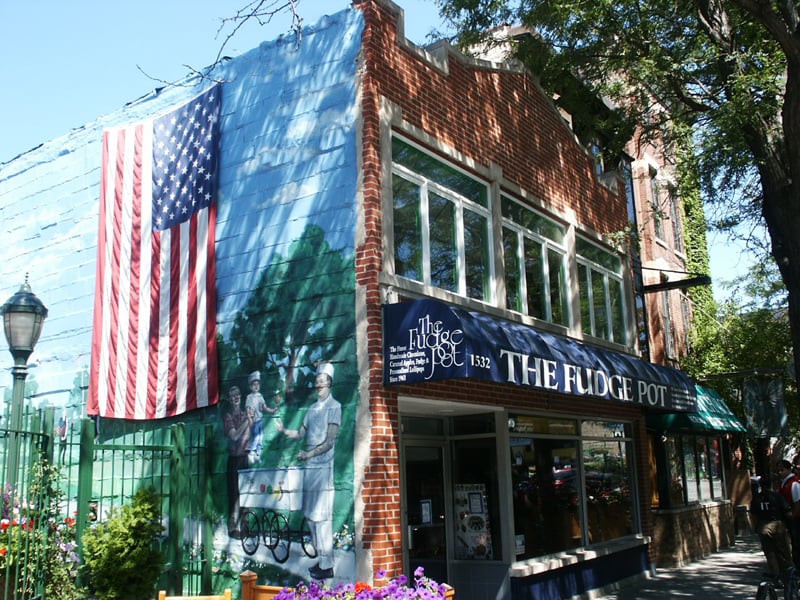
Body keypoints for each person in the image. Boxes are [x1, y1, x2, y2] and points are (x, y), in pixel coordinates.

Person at [276, 362, 341, 580]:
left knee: (322, 518)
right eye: (317, 382)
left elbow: (330, 442)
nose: (318, 385)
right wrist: (283, 430)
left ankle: (327, 565)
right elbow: (300, 434)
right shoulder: (312, 409)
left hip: (323, 468)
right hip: (310, 469)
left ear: (329, 383)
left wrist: (308, 454)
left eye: (322, 381)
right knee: (310, 517)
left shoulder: (335, 407)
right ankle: (321, 559)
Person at [751, 474, 794, 588]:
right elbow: (788, 512)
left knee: (770, 553)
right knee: (783, 552)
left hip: (763, 526)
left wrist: (757, 527)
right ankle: (788, 576)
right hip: (777, 525)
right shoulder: (777, 496)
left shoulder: (757, 498)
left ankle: (776, 576)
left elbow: (753, 515)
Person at [223, 385, 251, 538]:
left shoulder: (245, 414)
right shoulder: (228, 417)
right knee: (234, 494)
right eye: (232, 394)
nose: (236, 397)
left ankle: (245, 526)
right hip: (234, 460)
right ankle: (233, 527)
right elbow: (234, 436)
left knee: (246, 492)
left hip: (244, 458)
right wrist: (247, 421)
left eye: (238, 393)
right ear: (229, 399)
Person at [245, 371, 277, 465]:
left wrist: (272, 411)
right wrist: (250, 419)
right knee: (256, 437)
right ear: (250, 386)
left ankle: (258, 455)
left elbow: (264, 407)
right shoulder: (249, 397)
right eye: (254, 384)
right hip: (254, 421)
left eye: (257, 384)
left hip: (260, 421)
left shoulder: (260, 396)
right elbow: (248, 409)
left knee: (261, 438)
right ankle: (251, 453)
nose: (256, 386)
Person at [777, 459, 800, 567]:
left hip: (796, 520)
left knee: (797, 543)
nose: (780, 472)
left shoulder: (794, 483)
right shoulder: (784, 483)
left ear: (789, 470)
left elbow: (797, 502)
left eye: (782, 470)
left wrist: (793, 516)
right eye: (778, 470)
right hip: (788, 519)